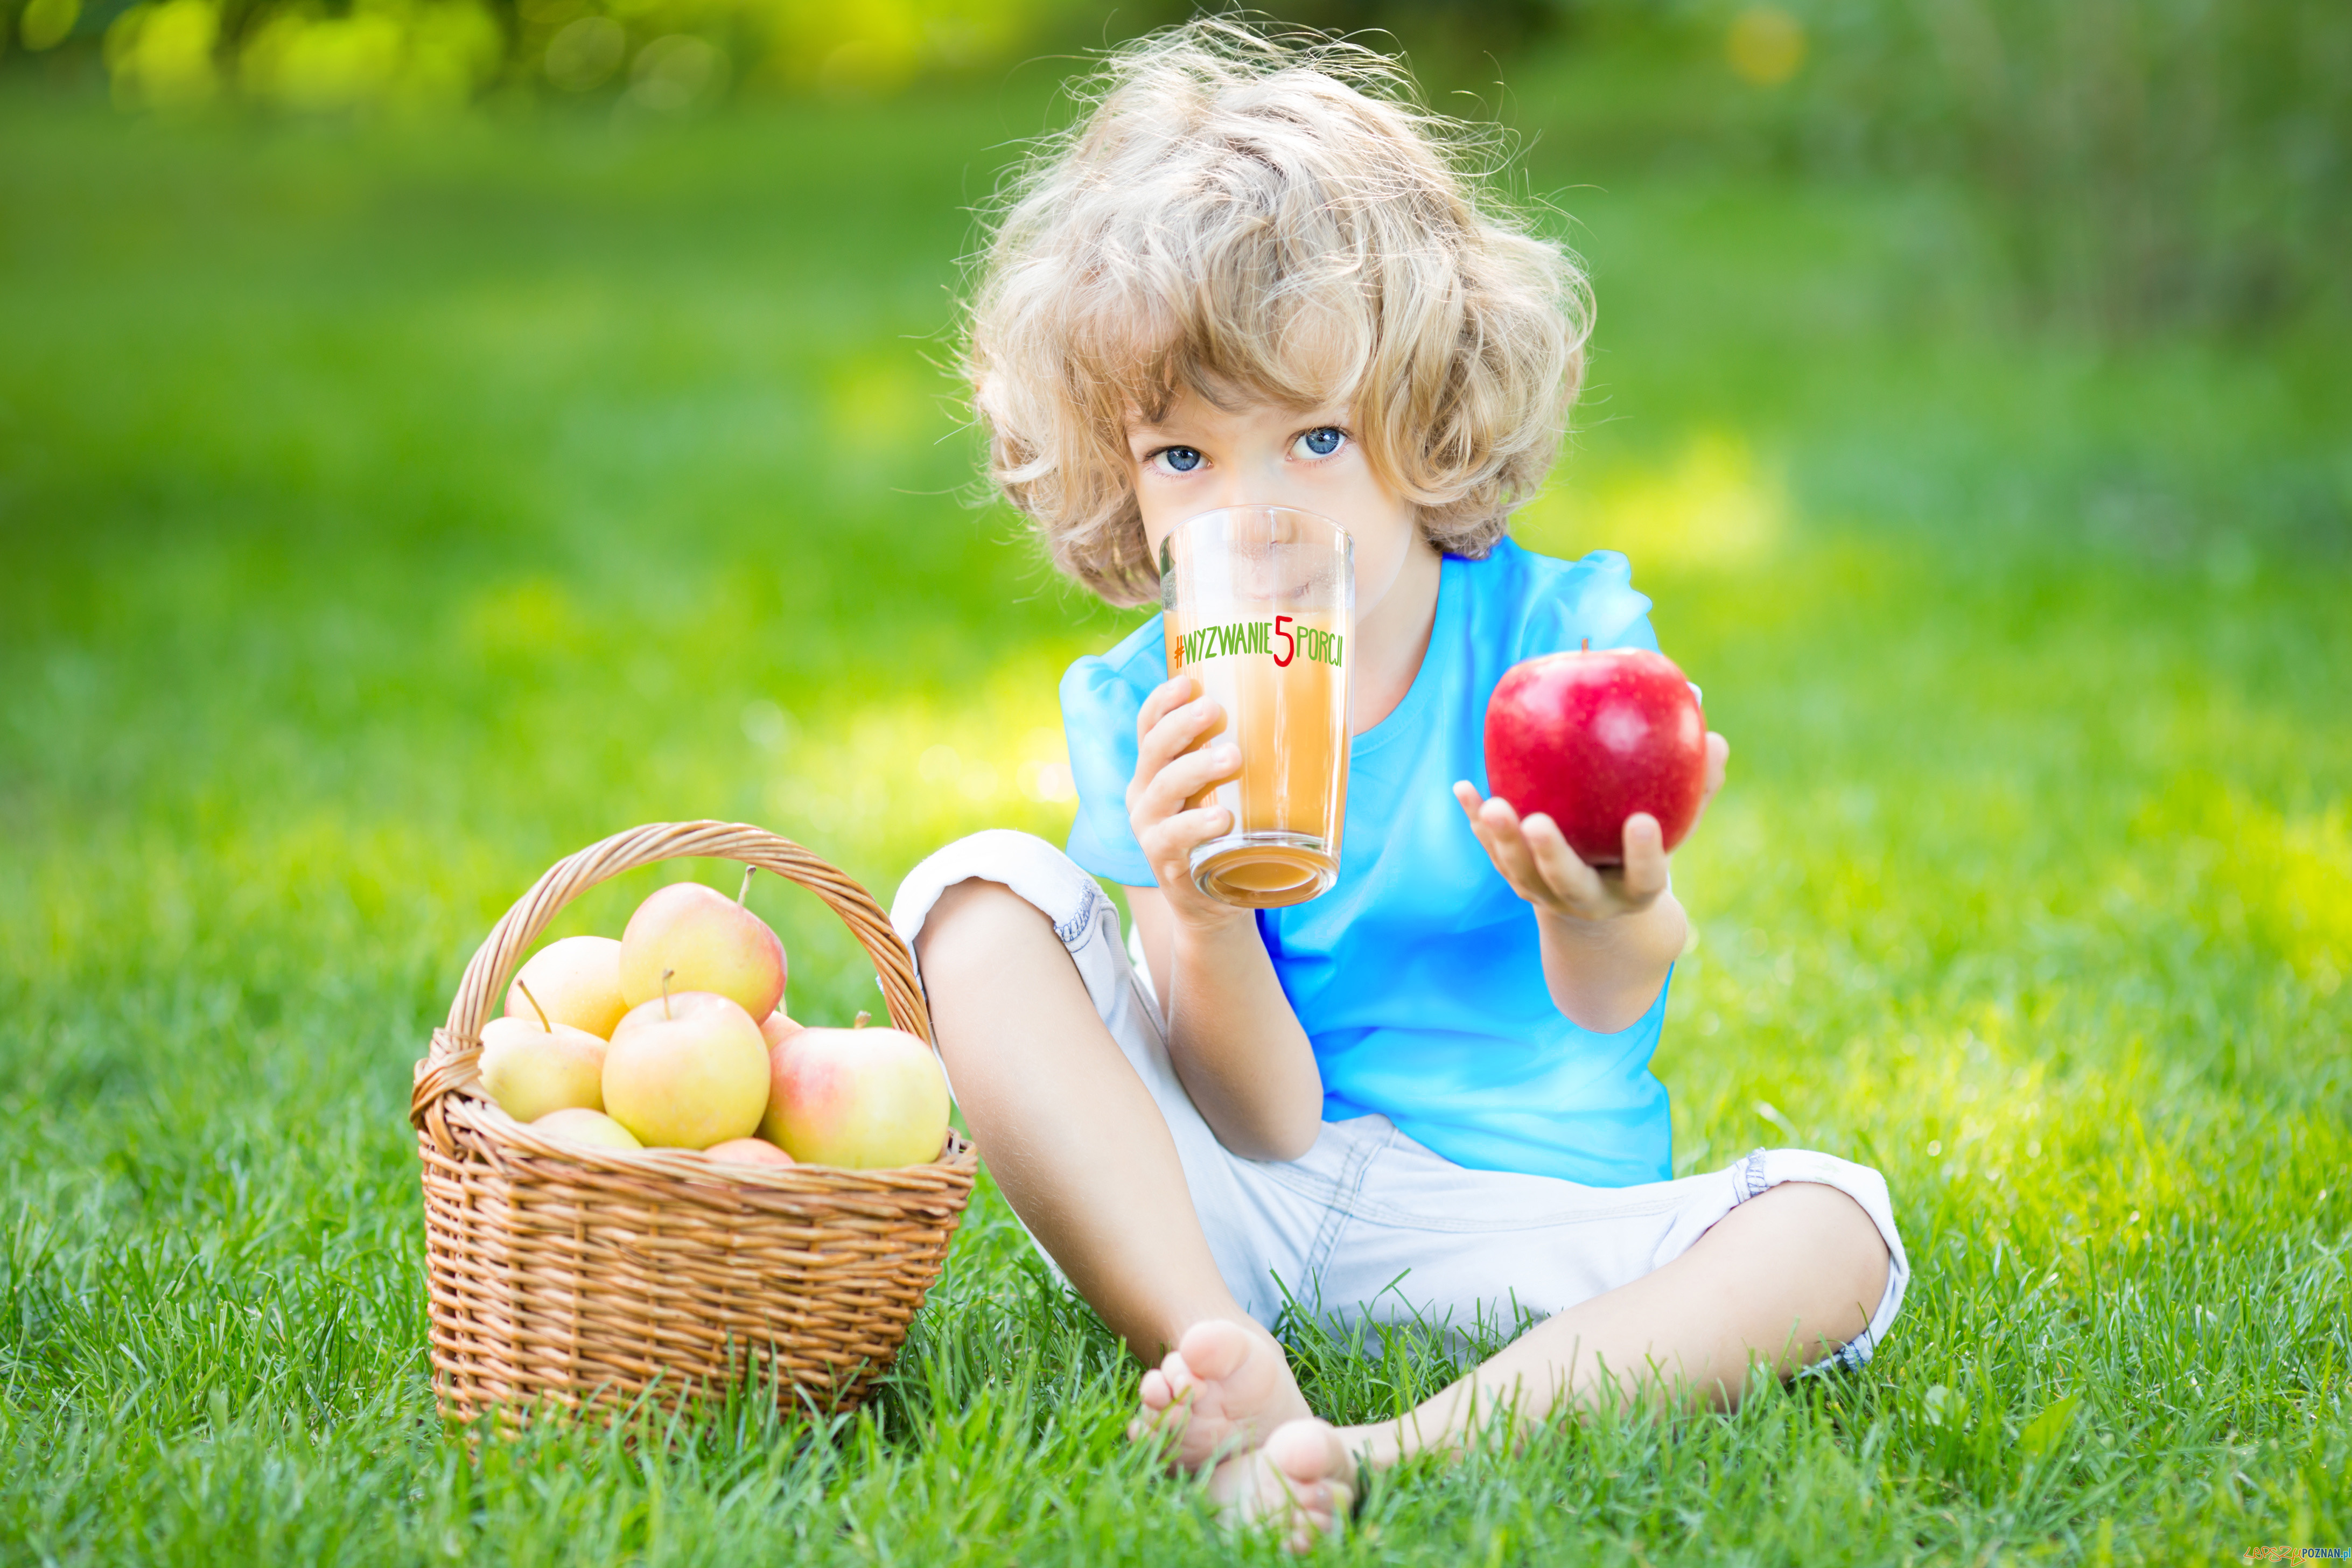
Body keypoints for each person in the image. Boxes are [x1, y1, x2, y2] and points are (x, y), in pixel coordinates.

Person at [890, 20, 1907, 1546]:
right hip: (1244, 1211)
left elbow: (1614, 999)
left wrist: (1610, 902)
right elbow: (1267, 1115)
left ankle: (1395, 1446)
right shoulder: (1143, 703)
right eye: (1184, 460)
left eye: (1312, 438)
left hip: (1520, 1223)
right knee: (971, 895)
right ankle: (1216, 1352)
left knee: (1837, 1227)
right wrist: (1201, 909)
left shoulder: (1555, 644)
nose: (1255, 509)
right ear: (1123, 472)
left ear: (1422, 422)